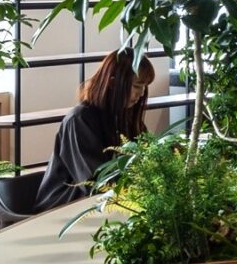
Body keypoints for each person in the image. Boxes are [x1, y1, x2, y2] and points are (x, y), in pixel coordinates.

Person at [33, 51, 155, 212]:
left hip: (103, 205)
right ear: (113, 83)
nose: (142, 93)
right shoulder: (79, 120)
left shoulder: (125, 117)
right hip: (63, 210)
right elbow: (97, 183)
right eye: (137, 86)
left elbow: (147, 157)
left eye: (144, 86)